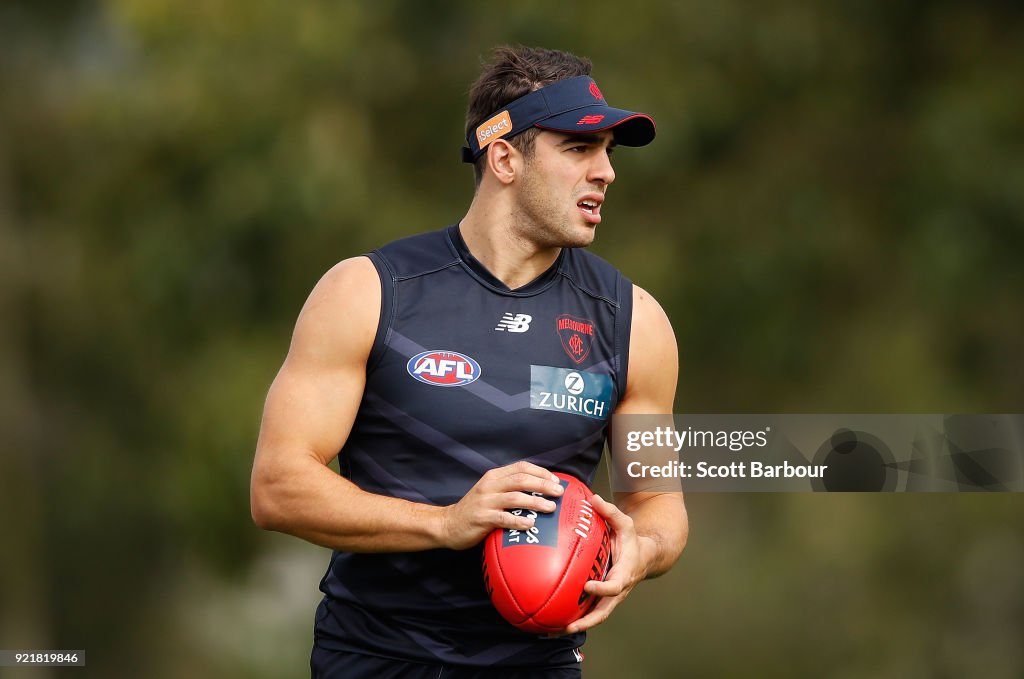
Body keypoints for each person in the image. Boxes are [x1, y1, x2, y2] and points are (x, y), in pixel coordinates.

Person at [250, 45, 688, 679]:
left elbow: (659, 502)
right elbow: (277, 488)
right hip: (375, 659)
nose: (605, 173)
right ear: (504, 156)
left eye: (608, 154)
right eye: (577, 149)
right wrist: (446, 523)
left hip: (537, 665)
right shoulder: (368, 292)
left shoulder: (633, 321)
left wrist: (639, 550)